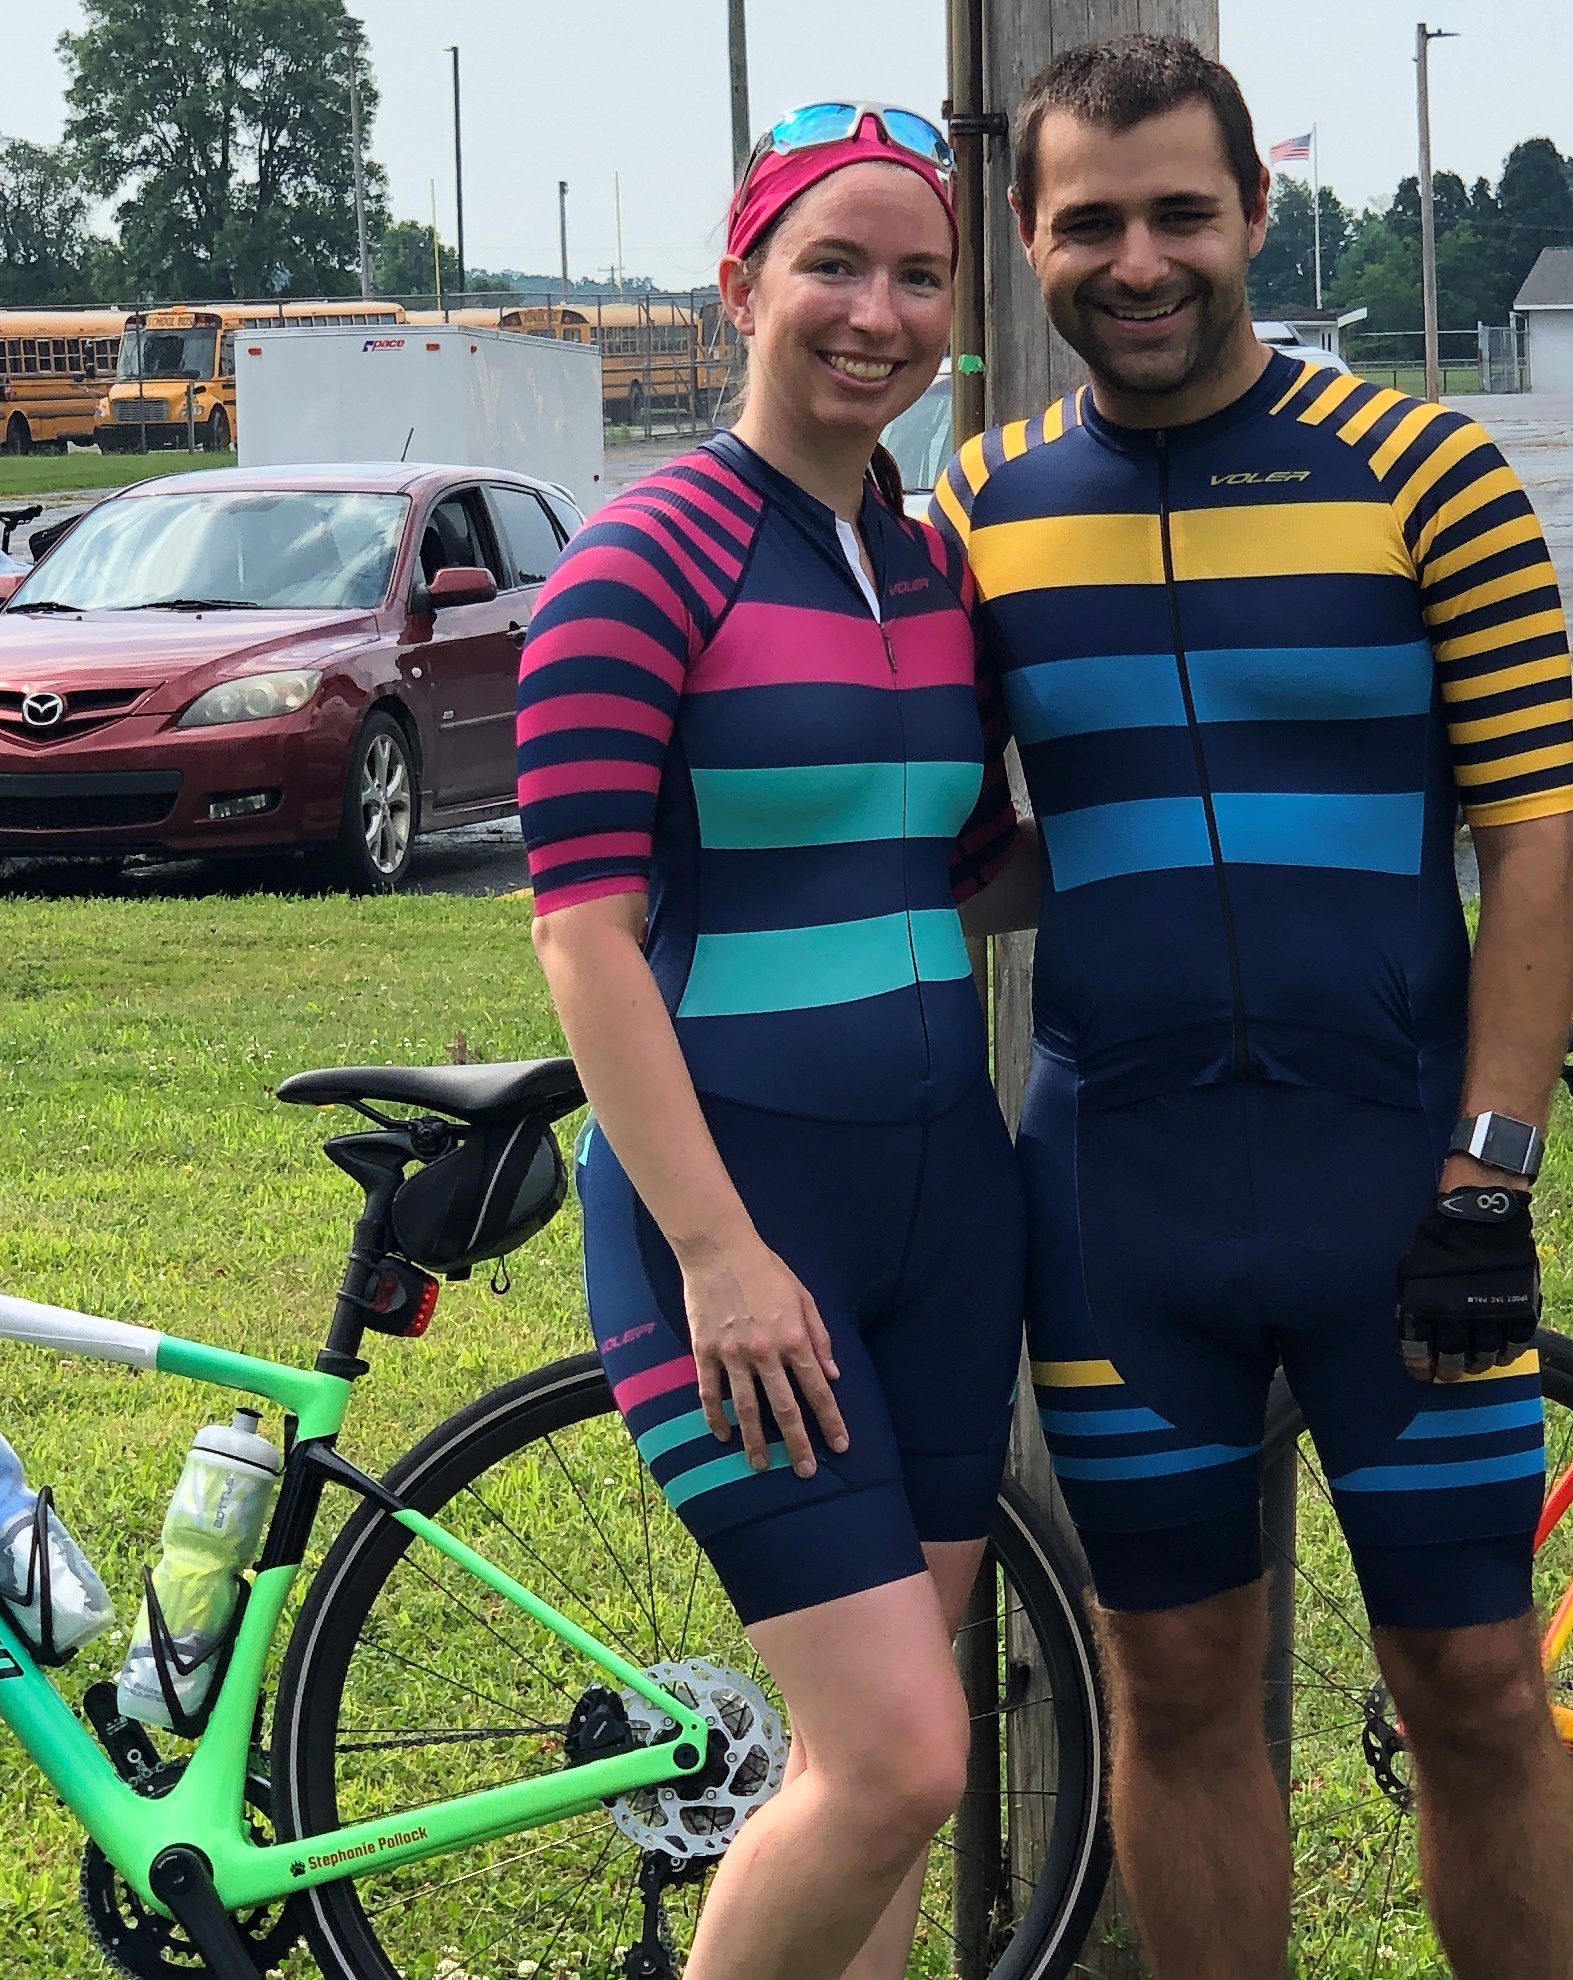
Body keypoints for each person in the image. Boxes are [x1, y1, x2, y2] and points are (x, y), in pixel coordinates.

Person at [930, 34, 1573, 1980]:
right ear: (1028, 237)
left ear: (1252, 214)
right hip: (1119, 1199)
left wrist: (1487, 1171)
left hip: (1399, 1181)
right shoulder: (976, 520)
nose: (1136, 261)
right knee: (1178, 1687)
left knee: (1473, 1677)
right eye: (1088, 223)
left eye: (1177, 215)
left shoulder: (1428, 474)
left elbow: (1532, 851)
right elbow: (969, 850)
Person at [521, 104, 1027, 1980]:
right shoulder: (645, 559)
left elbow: (956, 867)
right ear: (741, 283)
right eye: (831, 262)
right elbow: (582, 939)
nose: (872, 311)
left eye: (915, 274)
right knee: (898, 1758)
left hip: (946, 1221)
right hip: (736, 1220)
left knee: (870, 1772)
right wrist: (723, 1254)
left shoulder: (932, 566)